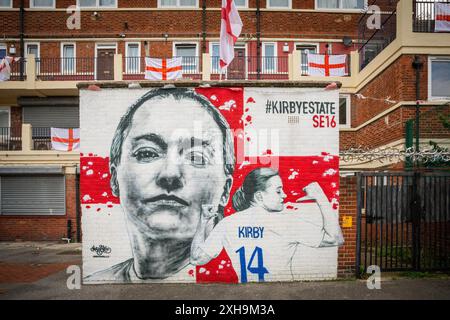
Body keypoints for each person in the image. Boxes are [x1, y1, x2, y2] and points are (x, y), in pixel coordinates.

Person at [84, 88, 235, 282]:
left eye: (197, 156)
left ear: (226, 190)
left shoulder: (234, 272)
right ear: (114, 178)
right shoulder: (99, 280)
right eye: (147, 153)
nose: (170, 174)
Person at [190, 167, 344, 283]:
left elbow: (196, 259)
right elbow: (335, 239)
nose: (284, 195)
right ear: (259, 196)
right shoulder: (286, 222)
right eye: (278, 191)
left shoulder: (228, 223)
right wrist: (321, 197)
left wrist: (203, 220)